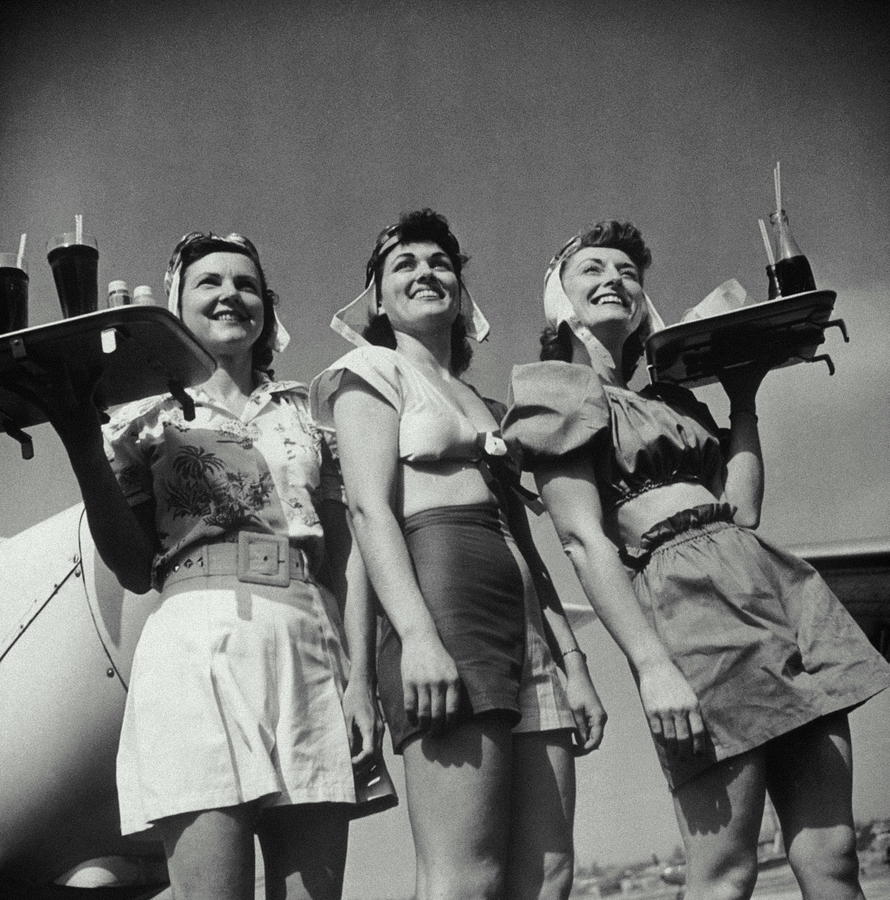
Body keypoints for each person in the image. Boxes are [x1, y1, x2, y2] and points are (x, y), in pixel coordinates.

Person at [501, 220, 890, 900]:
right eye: (592, 269)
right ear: (558, 299)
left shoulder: (672, 402)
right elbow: (583, 541)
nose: (613, 279)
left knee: (832, 860)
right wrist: (652, 668)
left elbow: (742, 511)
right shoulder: (555, 391)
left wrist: (743, 399)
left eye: (626, 270)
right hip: (686, 608)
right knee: (726, 872)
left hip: (774, 591)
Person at [14, 232, 377, 899]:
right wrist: (78, 437)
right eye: (209, 282)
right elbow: (129, 565)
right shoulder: (139, 419)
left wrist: (361, 682)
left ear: (266, 307)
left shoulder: (307, 416)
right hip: (197, 635)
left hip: (309, 640)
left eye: (245, 283)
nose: (229, 294)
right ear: (174, 305)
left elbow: (346, 560)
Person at [310, 209, 606, 900]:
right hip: (443, 606)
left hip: (525, 619)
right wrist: (413, 637)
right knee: (467, 875)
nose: (425, 272)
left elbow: (528, 543)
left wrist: (575, 661)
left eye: (439, 262)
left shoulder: (484, 401)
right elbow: (366, 513)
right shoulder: (368, 371)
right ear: (377, 302)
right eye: (403, 265)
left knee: (548, 871)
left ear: (461, 291)